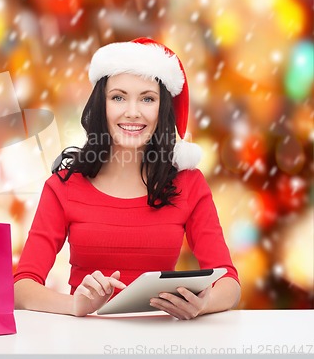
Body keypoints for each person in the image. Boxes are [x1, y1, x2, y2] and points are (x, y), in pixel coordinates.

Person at [14, 37, 241, 319]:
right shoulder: (64, 186)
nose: (132, 112)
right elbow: (22, 287)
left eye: (147, 98)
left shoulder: (189, 184)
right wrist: (76, 305)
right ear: (102, 105)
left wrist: (203, 304)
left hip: (160, 342)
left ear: (162, 109)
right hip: (84, 342)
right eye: (118, 97)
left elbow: (229, 282)